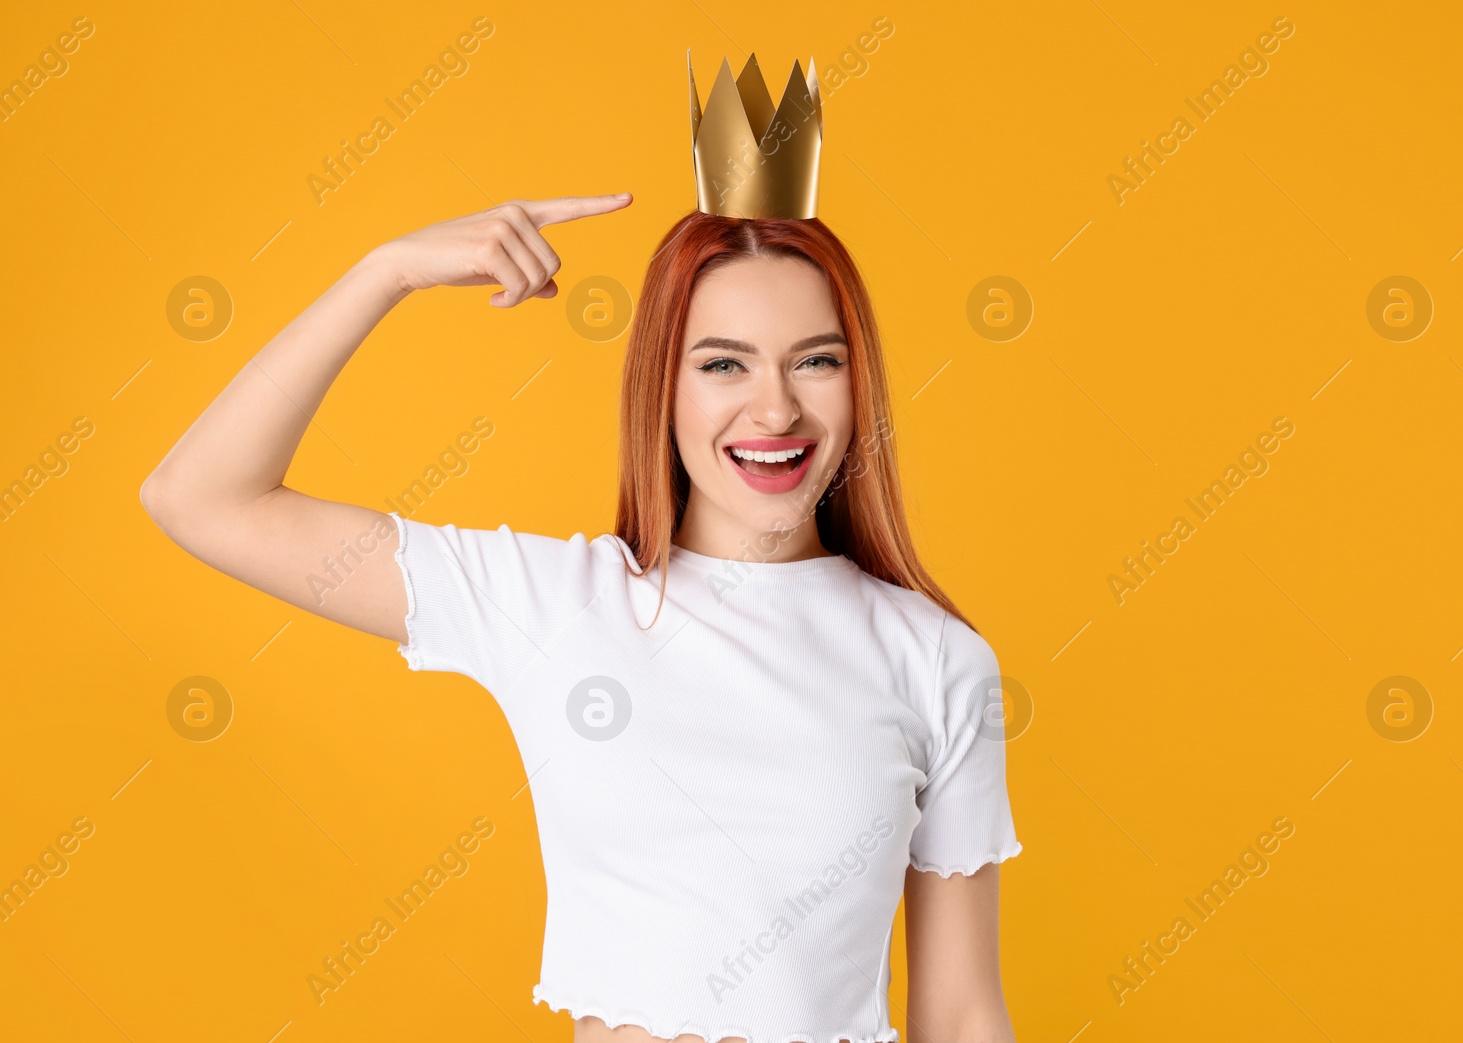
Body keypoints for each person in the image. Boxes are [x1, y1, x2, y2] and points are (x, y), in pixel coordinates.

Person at [140, 193, 1023, 1043]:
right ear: (661, 385)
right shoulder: (554, 602)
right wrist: (389, 270)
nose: (776, 409)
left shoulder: (939, 660)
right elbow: (204, 497)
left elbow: (961, 1019)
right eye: (723, 363)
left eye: (817, 360)